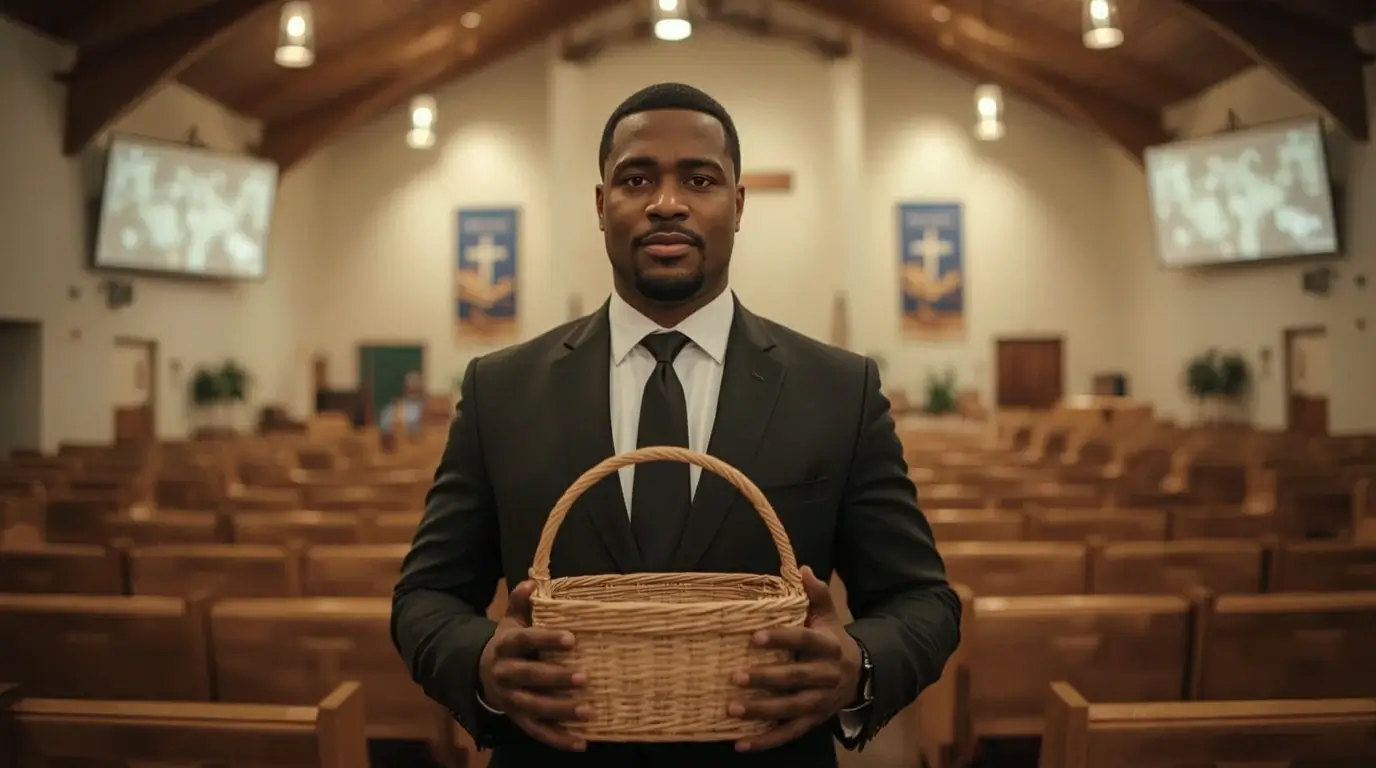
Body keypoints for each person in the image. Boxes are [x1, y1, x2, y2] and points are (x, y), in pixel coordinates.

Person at [392, 82, 961, 768]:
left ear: (739, 204)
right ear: (602, 206)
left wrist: (859, 665)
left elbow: (921, 599)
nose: (667, 202)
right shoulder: (502, 389)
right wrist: (481, 661)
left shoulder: (838, 388)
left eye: (700, 178)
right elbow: (426, 596)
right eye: (636, 179)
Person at [378, 371, 426, 438]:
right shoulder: (394, 407)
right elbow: (385, 425)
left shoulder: (425, 407)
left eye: (416, 384)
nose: (413, 386)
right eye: (411, 383)